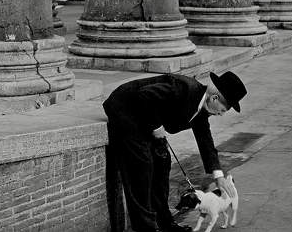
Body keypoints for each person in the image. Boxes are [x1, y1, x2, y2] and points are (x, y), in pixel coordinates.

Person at [103, 70, 248, 232]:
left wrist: (219, 177)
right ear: (215, 98)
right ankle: (145, 227)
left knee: (163, 161)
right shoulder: (182, 88)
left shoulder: (201, 108)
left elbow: (206, 141)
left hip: (146, 118)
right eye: (222, 110)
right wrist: (157, 126)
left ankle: (165, 223)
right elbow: (143, 96)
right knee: (142, 165)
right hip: (125, 107)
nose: (220, 114)